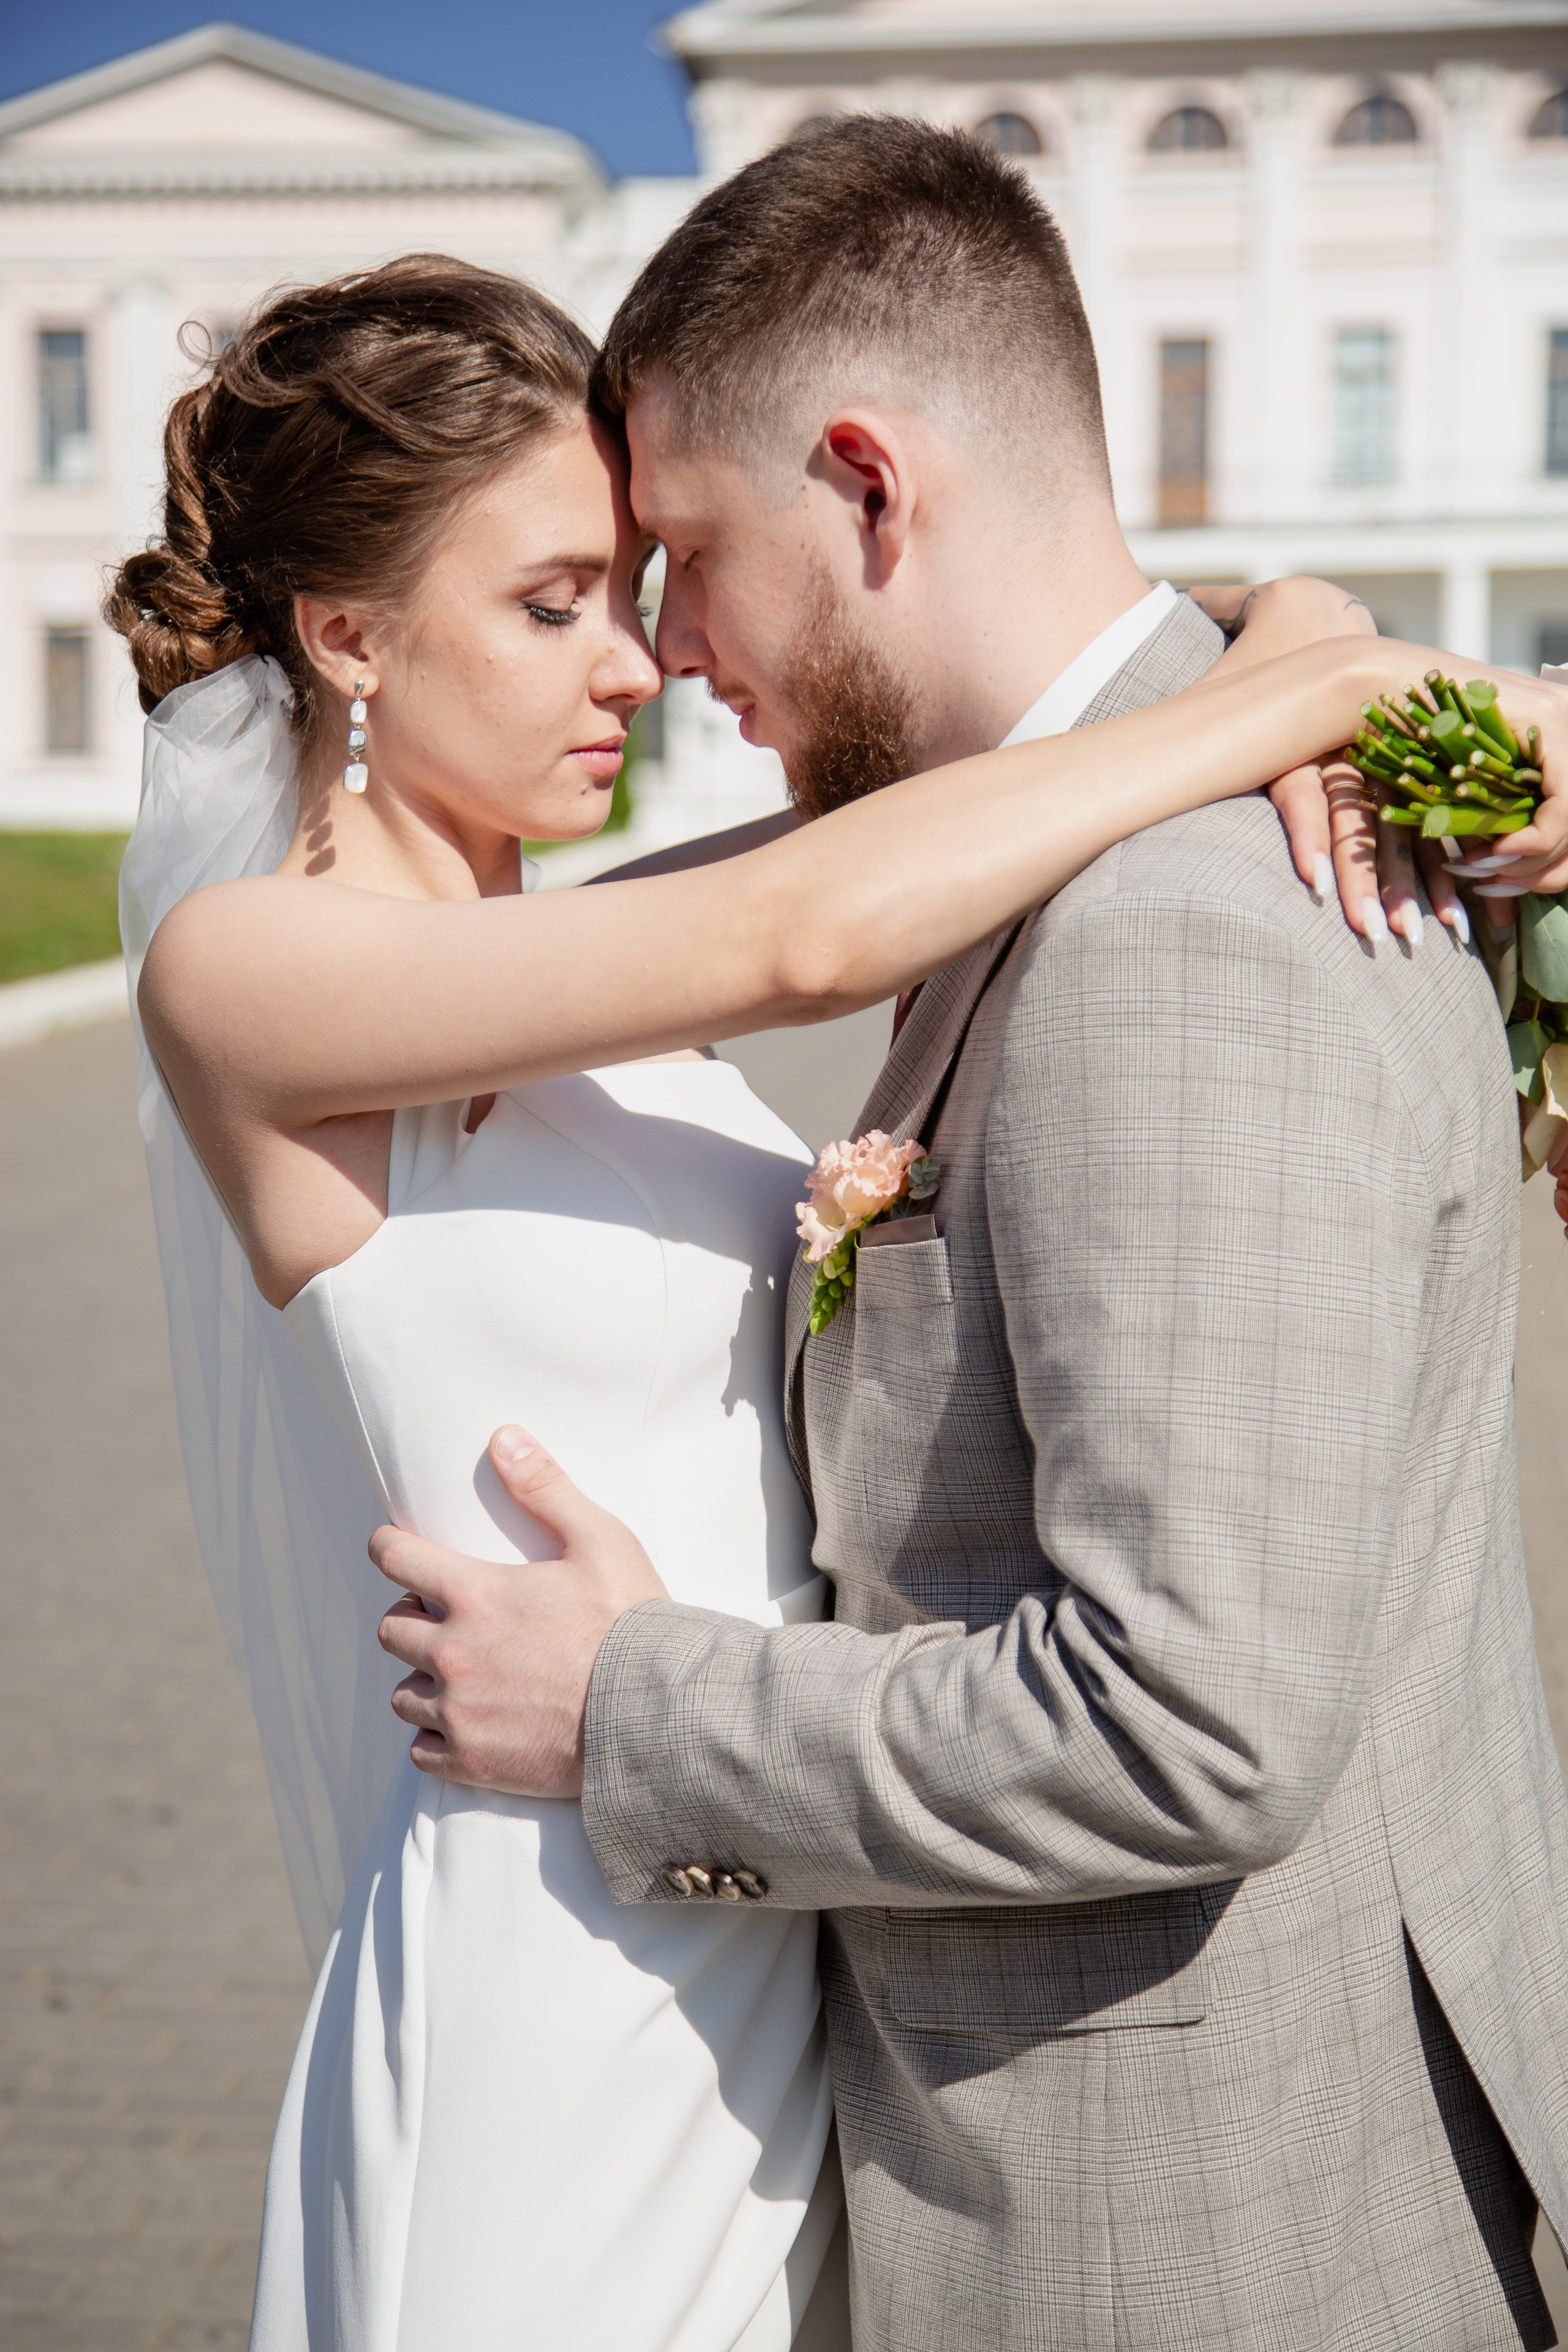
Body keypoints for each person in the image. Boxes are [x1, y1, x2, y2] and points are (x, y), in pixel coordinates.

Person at [369, 124, 1568, 2352]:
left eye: (693, 556)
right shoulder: (1146, 822)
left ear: (869, 484)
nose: (675, 650)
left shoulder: (1181, 924)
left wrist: (626, 1708)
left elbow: (1196, 1722)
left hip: (1201, 2236)